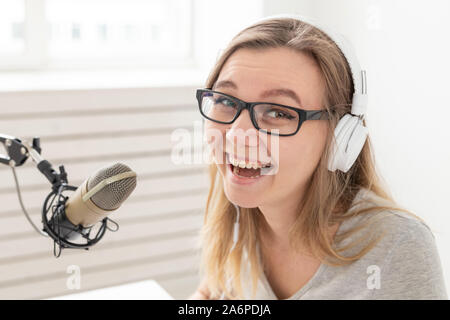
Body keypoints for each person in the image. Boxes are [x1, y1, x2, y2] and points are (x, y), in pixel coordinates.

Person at [188, 15, 447, 300]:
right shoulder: (237, 221)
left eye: (278, 112)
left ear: (339, 139)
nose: (238, 135)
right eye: (226, 101)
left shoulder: (398, 247)